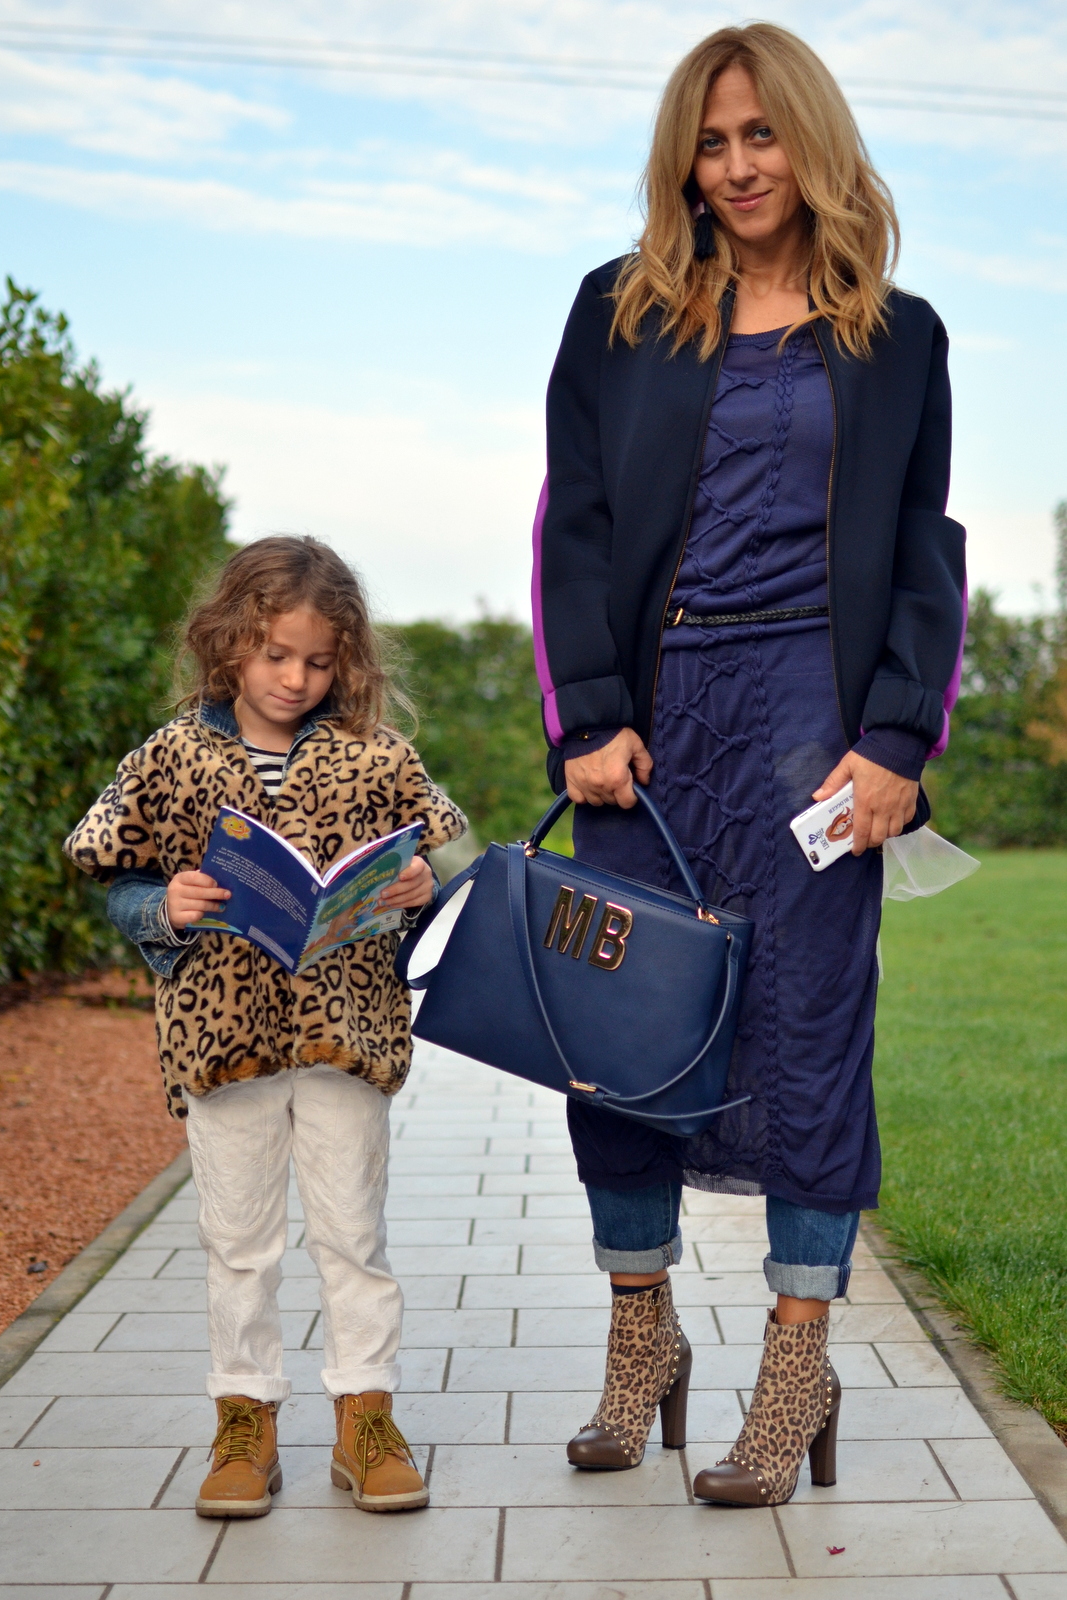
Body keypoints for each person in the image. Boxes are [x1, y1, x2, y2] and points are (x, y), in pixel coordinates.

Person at [533, 23, 965, 1506]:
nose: (735, 166)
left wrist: (894, 741)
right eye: (710, 142)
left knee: (807, 1037)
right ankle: (639, 1339)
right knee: (620, 1035)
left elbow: (922, 551)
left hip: (810, 731)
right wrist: (586, 716)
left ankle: (796, 1367)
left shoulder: (899, 338)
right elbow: (574, 522)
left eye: (760, 135)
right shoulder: (617, 312)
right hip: (651, 729)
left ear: (810, 141)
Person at [64, 536, 466, 1518]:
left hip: (346, 1032)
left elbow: (437, 863)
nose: (295, 678)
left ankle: (366, 1417)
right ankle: (243, 1421)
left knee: (352, 1235)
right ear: (229, 642)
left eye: (318, 661)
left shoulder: (377, 755)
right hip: (222, 1040)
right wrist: (166, 906)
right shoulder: (170, 756)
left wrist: (418, 884)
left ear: (346, 659)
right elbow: (115, 880)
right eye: (275, 654)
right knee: (237, 1241)